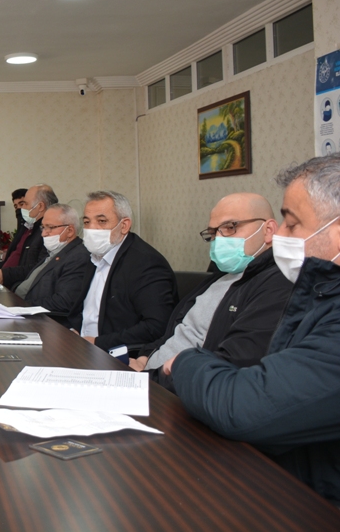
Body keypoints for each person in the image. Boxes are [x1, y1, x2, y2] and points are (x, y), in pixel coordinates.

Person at [167, 155, 340, 506]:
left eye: (292, 224)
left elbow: (245, 404)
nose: (282, 236)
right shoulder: (319, 295)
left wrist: (184, 362)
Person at [130, 193, 291, 386]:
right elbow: (177, 331)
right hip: (148, 374)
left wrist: (148, 378)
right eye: (213, 233)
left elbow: (231, 364)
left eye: (230, 227)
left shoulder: (276, 284)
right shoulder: (220, 276)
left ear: (268, 230)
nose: (219, 239)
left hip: (175, 389)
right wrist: (145, 357)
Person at [69, 190, 177, 352]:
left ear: (124, 225)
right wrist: (73, 331)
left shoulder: (146, 263)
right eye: (86, 222)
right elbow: (83, 309)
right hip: (80, 346)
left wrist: (97, 342)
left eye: (101, 221)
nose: (91, 229)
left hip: (113, 353)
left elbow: (156, 326)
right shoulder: (94, 256)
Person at [13, 204, 95, 322]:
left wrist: (23, 306)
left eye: (50, 227)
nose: (43, 234)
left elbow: (64, 301)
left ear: (70, 231)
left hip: (45, 321)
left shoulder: (78, 257)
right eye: (43, 227)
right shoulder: (55, 251)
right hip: (23, 311)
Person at [0, 184, 56, 286]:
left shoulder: (49, 233)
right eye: (16, 206)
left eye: (25, 204)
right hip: (10, 282)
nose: (21, 209)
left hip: (21, 287)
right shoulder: (29, 228)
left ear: (40, 206)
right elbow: (15, 259)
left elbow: (38, 268)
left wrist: (4, 274)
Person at [0, 188, 28, 261]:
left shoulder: (35, 229)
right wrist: (3, 253)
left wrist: (1, 256)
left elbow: (26, 257)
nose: (19, 209)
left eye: (21, 204)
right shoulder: (23, 227)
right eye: (16, 206)